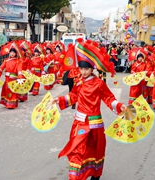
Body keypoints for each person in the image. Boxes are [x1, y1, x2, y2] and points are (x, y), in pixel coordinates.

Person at [50, 40, 126, 180]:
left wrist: (121, 107)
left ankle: (95, 174)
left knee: (95, 150)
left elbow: (109, 99)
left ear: (92, 69)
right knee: (77, 151)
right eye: (81, 69)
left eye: (86, 69)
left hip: (94, 124)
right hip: (79, 123)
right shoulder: (79, 82)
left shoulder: (99, 84)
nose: (83, 72)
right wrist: (59, 100)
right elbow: (74, 96)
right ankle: (77, 176)